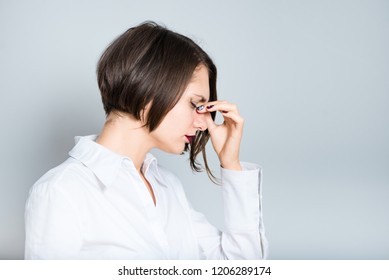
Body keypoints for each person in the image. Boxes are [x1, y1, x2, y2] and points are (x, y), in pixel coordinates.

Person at [24, 21, 268, 259]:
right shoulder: (62, 192)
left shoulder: (169, 187)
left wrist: (231, 164)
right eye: (196, 104)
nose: (204, 123)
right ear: (148, 90)